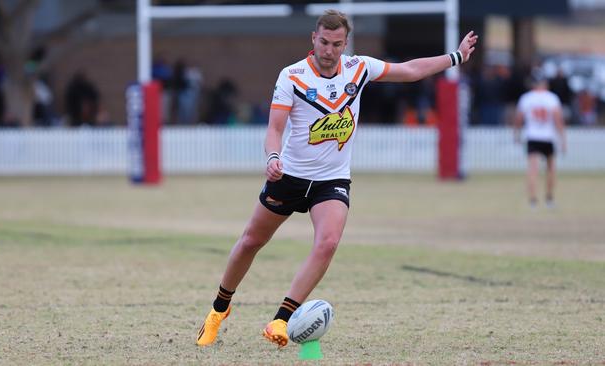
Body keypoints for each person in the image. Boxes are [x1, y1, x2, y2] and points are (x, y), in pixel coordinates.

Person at [196, 9, 478, 347]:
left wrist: (455, 57)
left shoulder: (358, 68)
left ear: (345, 44)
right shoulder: (293, 76)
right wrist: (273, 157)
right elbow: (274, 129)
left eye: (337, 44)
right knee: (251, 242)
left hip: (332, 180)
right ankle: (219, 309)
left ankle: (280, 321)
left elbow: (409, 70)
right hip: (290, 177)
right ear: (313, 39)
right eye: (324, 42)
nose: (329, 50)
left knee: (327, 243)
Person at [513, 73, 567, 208]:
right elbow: (558, 120)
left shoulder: (526, 98)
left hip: (533, 136)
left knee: (533, 170)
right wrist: (563, 139)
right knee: (551, 170)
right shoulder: (552, 98)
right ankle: (549, 198)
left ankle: (532, 200)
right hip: (548, 137)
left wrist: (517, 134)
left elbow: (519, 119)